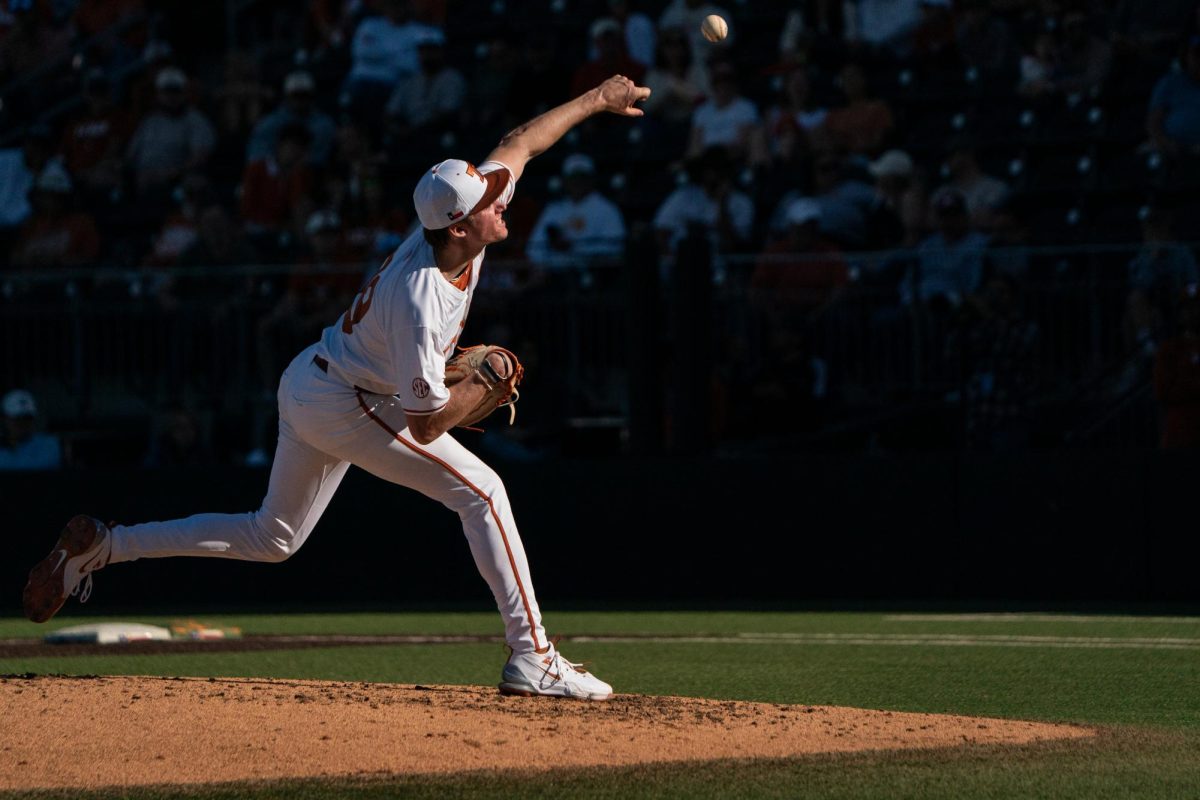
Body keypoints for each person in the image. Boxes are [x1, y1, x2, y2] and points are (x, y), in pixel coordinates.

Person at [22, 74, 652, 702]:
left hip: (314, 377)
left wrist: (598, 100)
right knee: (484, 492)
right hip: (347, 400)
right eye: (488, 200)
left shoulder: (457, 229)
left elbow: (521, 142)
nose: (500, 198)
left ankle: (105, 547)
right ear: (458, 227)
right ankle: (533, 656)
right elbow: (429, 423)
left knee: (273, 537)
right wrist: (483, 386)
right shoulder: (420, 298)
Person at [526, 153, 626, 270]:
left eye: (582, 177)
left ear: (591, 179)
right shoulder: (554, 209)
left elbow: (614, 249)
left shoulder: (607, 209)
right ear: (565, 180)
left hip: (595, 276)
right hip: (554, 275)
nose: (577, 182)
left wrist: (574, 249)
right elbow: (533, 250)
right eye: (573, 177)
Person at [0, 389, 62, 471]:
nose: (22, 424)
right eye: (17, 419)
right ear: (4, 418)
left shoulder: (49, 445)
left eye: (27, 418)